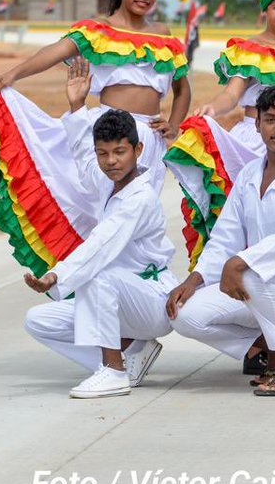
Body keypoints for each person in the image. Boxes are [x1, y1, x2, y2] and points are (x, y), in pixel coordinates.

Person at [0, 0, 190, 279]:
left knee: (137, 216)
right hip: (110, 134)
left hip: (148, 140)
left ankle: (137, 289)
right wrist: (14, 74)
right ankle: (89, 281)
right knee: (103, 212)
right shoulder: (97, 30)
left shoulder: (163, 35)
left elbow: (182, 90)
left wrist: (174, 125)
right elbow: (55, 52)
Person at [165, 86, 275, 396]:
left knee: (249, 270)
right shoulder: (249, 174)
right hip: (263, 289)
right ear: (258, 124)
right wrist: (194, 279)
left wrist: (239, 263)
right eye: (270, 119)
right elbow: (226, 237)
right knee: (184, 314)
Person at [21, 90, 175, 399]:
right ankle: (131, 355)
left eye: (119, 152)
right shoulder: (109, 181)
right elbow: (82, 154)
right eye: (103, 153)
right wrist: (77, 105)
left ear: (138, 150)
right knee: (38, 321)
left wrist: (56, 275)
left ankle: (113, 371)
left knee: (97, 273)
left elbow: (100, 245)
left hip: (152, 301)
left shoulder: (140, 198)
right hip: (121, 299)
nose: (111, 161)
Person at [165, 0, 275, 266]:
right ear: (264, 10)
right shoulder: (250, 49)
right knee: (243, 215)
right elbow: (231, 95)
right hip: (252, 140)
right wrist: (213, 108)